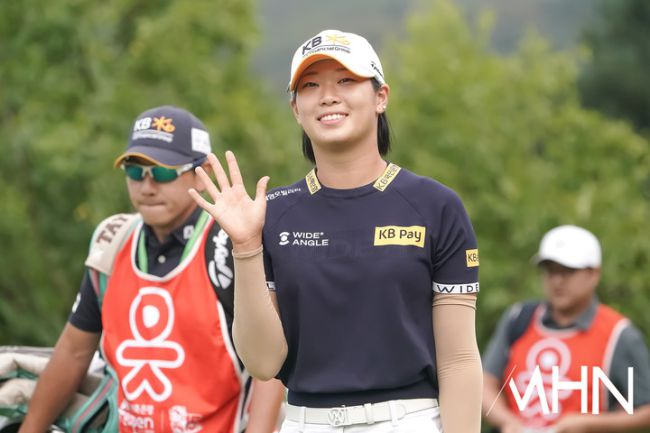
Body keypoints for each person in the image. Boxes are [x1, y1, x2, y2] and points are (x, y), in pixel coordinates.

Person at [189, 30, 482, 433]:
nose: (328, 96)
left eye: (346, 80)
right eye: (310, 86)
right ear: (296, 109)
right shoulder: (271, 213)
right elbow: (263, 363)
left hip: (408, 421)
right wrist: (246, 247)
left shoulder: (436, 206)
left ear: (381, 97)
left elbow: (459, 361)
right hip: (305, 422)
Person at [18, 105, 285, 433]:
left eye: (162, 172)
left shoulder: (228, 245)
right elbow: (73, 352)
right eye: (135, 171)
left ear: (201, 174)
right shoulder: (112, 242)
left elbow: (269, 371)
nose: (147, 186)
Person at [482, 225, 650, 433]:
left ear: (594, 274)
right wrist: (506, 421)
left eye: (568, 271)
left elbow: (645, 410)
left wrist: (588, 424)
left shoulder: (619, 334)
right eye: (550, 271)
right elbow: (485, 382)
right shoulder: (519, 318)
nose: (557, 281)